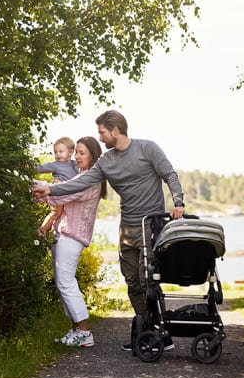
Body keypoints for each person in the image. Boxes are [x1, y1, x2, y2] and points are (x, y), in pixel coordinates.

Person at [33, 110, 185, 352]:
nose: (100, 138)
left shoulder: (148, 149)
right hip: (126, 227)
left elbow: (169, 174)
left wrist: (178, 203)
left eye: (102, 133)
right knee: (132, 282)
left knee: (148, 280)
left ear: (115, 131)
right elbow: (80, 182)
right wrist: (51, 190)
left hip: (150, 225)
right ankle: (147, 331)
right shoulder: (106, 161)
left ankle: (161, 334)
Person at [36, 136, 107, 348]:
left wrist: (34, 185)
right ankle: (76, 330)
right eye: (76, 152)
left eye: (82, 153)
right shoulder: (82, 175)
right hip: (64, 234)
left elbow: (60, 196)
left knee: (66, 283)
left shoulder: (89, 180)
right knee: (62, 283)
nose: (76, 156)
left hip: (72, 236)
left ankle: (84, 331)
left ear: (93, 156)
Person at [36, 137, 79, 237]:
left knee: (64, 216)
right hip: (57, 194)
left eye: (61, 151)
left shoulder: (75, 164)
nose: (57, 154)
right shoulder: (55, 165)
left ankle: (55, 232)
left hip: (68, 196)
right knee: (55, 213)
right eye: (55, 152)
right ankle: (42, 230)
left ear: (70, 152)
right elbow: (40, 168)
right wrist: (27, 167)